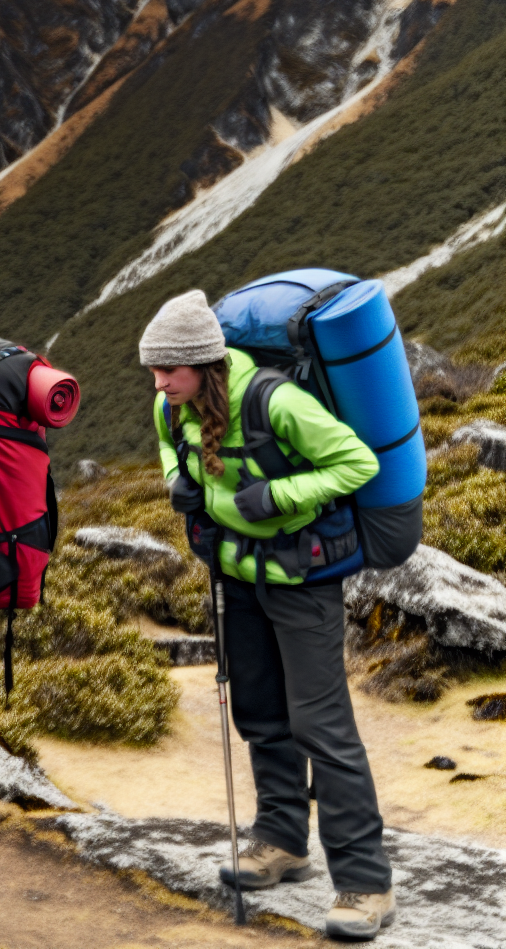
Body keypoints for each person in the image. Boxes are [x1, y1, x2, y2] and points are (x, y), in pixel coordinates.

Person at [142, 291, 394, 941]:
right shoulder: (171, 407)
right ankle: (282, 840)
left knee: (321, 724)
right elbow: (175, 450)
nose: (160, 381)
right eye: (154, 370)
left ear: (205, 362)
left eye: (171, 369)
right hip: (235, 572)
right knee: (257, 707)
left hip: (302, 577)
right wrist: (179, 478)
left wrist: (278, 493)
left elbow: (357, 462)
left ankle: (366, 884)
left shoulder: (276, 402)